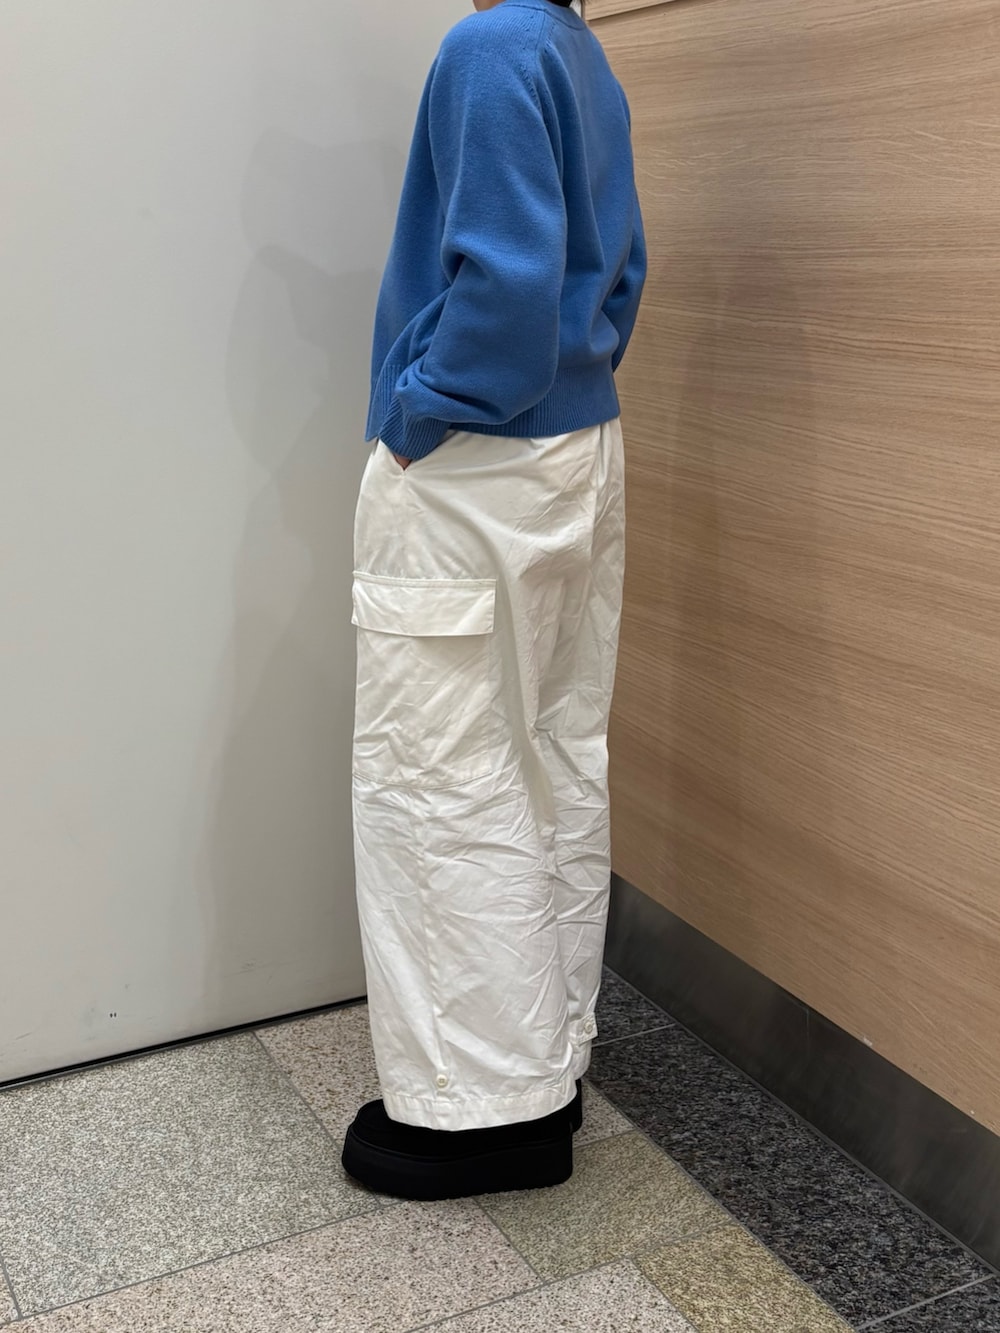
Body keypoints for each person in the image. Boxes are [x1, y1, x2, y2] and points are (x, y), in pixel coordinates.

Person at [342, 0, 646, 1200]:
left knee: (441, 770)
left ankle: (478, 1115)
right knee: (552, 748)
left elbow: (505, 294)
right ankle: (541, 1061)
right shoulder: (575, 47)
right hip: (575, 446)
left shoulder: (488, 46)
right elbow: (615, 269)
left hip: (478, 459)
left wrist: (420, 414)